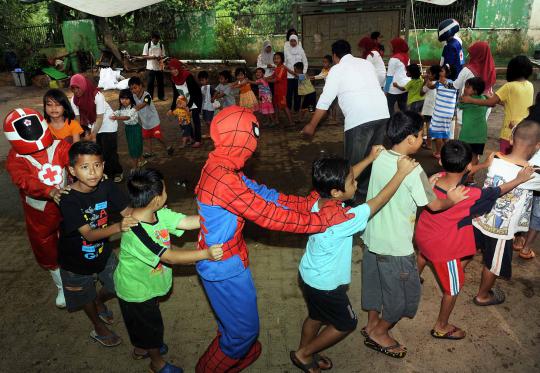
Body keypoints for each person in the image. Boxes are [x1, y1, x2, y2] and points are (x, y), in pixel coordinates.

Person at [194, 106, 354, 373]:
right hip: (222, 265)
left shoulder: (224, 167)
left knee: (235, 326)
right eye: (251, 140)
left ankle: (233, 352)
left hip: (231, 260)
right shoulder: (224, 179)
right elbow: (269, 216)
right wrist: (319, 221)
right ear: (241, 139)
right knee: (243, 333)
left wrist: (303, 204)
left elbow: (264, 195)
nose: (254, 148)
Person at [291, 149, 418, 372]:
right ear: (336, 192)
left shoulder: (317, 200)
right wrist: (401, 173)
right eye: (351, 181)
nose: (356, 181)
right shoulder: (344, 219)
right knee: (346, 323)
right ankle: (304, 353)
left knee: (316, 316)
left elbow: (343, 181)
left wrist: (370, 158)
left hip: (309, 275)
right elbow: (378, 201)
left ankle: (306, 352)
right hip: (326, 285)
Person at [361, 111, 468, 358]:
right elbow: (433, 206)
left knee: (375, 285)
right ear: (410, 138)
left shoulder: (379, 156)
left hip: (371, 237)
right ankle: (379, 332)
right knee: (402, 297)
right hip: (395, 246)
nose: (424, 139)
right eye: (422, 135)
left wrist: (425, 187)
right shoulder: (412, 169)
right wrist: (450, 199)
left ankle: (370, 325)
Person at [415, 140, 533, 340]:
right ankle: (441, 326)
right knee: (452, 289)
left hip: (423, 236)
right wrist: (519, 179)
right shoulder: (470, 194)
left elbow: (458, 174)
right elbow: (497, 191)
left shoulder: (433, 180)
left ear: (442, 162)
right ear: (468, 166)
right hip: (444, 250)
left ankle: (412, 280)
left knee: (423, 256)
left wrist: (485, 166)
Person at [115, 168, 224, 373]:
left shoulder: (158, 214)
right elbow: (170, 257)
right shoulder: (137, 232)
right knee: (151, 326)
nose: (167, 194)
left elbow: (185, 222)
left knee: (145, 324)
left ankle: (143, 347)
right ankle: (157, 363)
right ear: (156, 199)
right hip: (136, 292)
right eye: (165, 190)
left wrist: (213, 216)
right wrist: (205, 254)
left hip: (148, 285)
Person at [58, 141, 138, 347]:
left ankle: (99, 300)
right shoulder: (69, 199)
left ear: (103, 165)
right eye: (84, 167)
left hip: (104, 252)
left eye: (97, 165)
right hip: (75, 260)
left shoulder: (108, 186)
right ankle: (98, 327)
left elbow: (127, 212)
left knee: (117, 285)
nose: (92, 172)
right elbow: (89, 235)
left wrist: (148, 212)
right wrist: (120, 227)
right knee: (85, 295)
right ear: (72, 170)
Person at [302, 39, 390, 202]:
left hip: (359, 119)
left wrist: (312, 124)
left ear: (335, 56)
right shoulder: (366, 64)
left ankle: (350, 203)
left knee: (352, 166)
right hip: (382, 115)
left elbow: (325, 99)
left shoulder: (337, 69)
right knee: (372, 158)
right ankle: (363, 196)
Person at [4, 108, 72, 308]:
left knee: (76, 236)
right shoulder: (15, 158)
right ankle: (62, 285)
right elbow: (23, 180)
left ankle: (79, 273)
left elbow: (74, 161)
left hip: (67, 204)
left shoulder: (60, 146)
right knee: (46, 247)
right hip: (39, 212)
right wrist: (49, 191)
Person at [472, 120, 540, 306]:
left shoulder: (495, 158)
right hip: (500, 231)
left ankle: (455, 279)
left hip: (479, 219)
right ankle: (483, 295)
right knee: (492, 264)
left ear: (511, 138)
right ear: (537, 146)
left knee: (468, 251)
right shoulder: (530, 174)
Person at [461, 55, 534, 154]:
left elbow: (491, 103)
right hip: (524, 130)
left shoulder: (509, 86)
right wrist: (496, 99)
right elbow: (511, 104)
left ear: (512, 70)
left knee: (505, 158)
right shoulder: (530, 86)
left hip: (509, 132)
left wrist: (470, 100)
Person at [70, 74, 123, 182]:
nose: (76, 91)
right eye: (73, 88)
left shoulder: (97, 96)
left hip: (107, 122)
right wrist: (82, 134)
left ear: (83, 85)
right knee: (97, 152)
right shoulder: (74, 100)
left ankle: (117, 171)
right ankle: (103, 174)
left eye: (78, 87)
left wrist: (93, 134)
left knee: (109, 151)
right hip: (91, 124)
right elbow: (77, 119)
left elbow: (100, 117)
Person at [453, 41, 496, 126]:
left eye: (471, 53)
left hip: (467, 107)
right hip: (484, 107)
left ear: (476, 54)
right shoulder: (491, 70)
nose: (469, 56)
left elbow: (455, 85)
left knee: (464, 134)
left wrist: (443, 82)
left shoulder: (467, 70)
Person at [129, 77, 174, 158]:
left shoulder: (147, 95)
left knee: (158, 136)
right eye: (131, 89)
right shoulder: (133, 96)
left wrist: (136, 108)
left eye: (135, 87)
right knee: (146, 137)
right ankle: (150, 152)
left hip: (154, 121)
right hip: (145, 122)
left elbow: (144, 104)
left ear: (140, 86)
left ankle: (168, 147)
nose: (133, 90)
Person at [168, 59, 203, 148]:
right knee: (186, 119)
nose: (173, 71)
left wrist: (189, 106)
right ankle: (191, 137)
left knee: (195, 119)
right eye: (171, 69)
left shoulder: (187, 76)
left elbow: (193, 93)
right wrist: (171, 108)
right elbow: (176, 94)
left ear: (179, 68)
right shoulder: (173, 79)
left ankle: (198, 140)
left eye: (175, 68)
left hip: (195, 99)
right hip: (185, 101)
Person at [457, 77, 488, 171]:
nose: (465, 89)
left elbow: (459, 104)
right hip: (480, 135)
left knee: (464, 155)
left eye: (467, 87)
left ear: (475, 90)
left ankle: (463, 174)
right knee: (475, 156)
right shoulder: (484, 98)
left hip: (468, 134)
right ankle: (471, 177)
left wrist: (462, 96)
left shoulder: (466, 99)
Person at [427, 64, 458, 159]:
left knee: (438, 134)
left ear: (448, 73)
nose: (440, 72)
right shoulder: (455, 84)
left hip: (439, 113)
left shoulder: (439, 83)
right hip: (448, 113)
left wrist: (428, 78)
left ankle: (438, 153)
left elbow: (430, 86)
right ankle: (450, 151)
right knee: (445, 132)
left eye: (442, 71)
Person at [110, 89, 144, 169]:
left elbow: (127, 117)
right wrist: (113, 114)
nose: (124, 101)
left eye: (126, 99)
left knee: (134, 147)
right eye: (122, 98)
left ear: (131, 99)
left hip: (135, 129)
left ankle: (135, 168)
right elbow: (118, 112)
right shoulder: (122, 108)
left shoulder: (133, 108)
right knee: (134, 146)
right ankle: (141, 160)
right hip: (128, 129)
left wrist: (116, 118)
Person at [385, 38, 410, 115]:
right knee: (403, 107)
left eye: (391, 46)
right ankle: (407, 123)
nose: (390, 47)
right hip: (405, 86)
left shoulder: (394, 59)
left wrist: (385, 90)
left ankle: (392, 124)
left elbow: (389, 76)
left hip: (394, 88)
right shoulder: (406, 57)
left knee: (389, 108)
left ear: (397, 46)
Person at [269, 52, 294, 127]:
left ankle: (291, 122)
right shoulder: (277, 68)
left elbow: (277, 79)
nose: (276, 60)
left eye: (278, 58)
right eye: (274, 58)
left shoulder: (282, 68)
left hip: (282, 91)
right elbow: (272, 76)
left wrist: (267, 80)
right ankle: (276, 120)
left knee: (284, 106)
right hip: (277, 90)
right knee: (276, 105)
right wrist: (265, 78)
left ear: (282, 59)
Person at [285, 34, 308, 115]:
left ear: (297, 41)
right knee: (289, 94)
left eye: (294, 40)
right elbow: (285, 63)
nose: (293, 42)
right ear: (289, 42)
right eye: (291, 41)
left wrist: (303, 73)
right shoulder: (287, 51)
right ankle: (289, 109)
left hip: (299, 76)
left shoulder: (301, 50)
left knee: (298, 93)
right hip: (289, 76)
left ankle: (296, 109)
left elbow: (305, 62)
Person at [421, 65, 441, 151]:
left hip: (429, 108)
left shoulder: (429, 84)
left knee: (429, 126)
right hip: (438, 108)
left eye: (428, 73)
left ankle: (429, 144)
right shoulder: (440, 83)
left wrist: (424, 81)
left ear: (433, 75)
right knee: (436, 126)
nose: (427, 74)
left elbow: (421, 92)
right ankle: (436, 142)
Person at [142, 31, 166, 101]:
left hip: (159, 67)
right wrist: (153, 57)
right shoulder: (147, 45)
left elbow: (163, 55)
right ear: (151, 38)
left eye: (158, 40)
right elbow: (144, 56)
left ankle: (161, 96)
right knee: (150, 84)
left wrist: (160, 57)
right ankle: (150, 98)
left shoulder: (161, 45)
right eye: (155, 40)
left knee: (160, 83)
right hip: (150, 67)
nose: (156, 41)